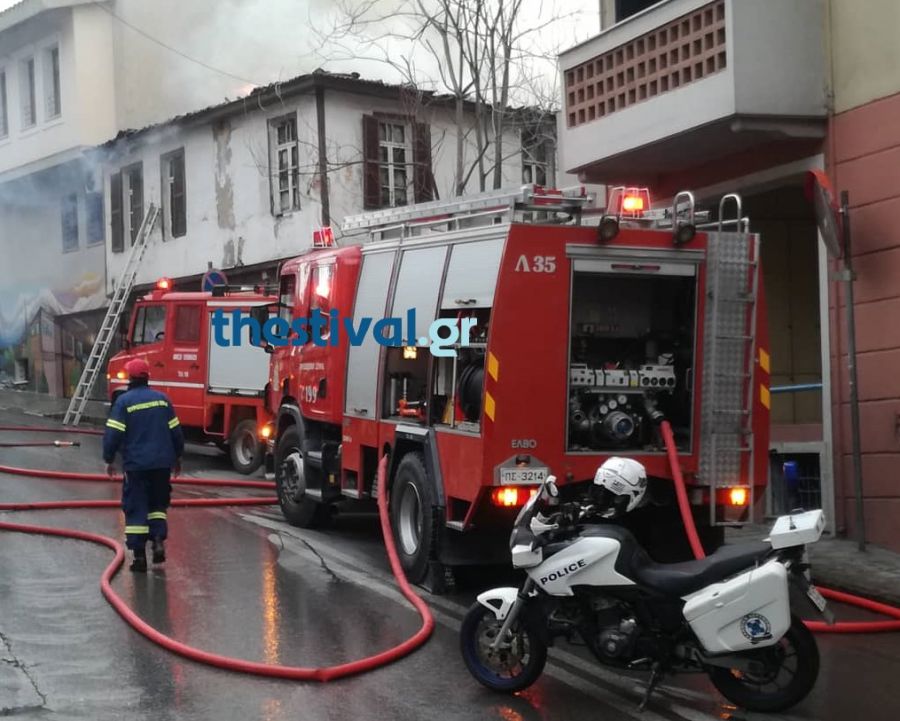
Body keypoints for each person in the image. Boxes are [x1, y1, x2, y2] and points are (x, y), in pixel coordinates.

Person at [103, 358, 183, 572]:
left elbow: (113, 434)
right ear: (148, 377)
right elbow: (176, 433)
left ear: (129, 378)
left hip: (136, 466)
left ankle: (139, 557)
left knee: (136, 506)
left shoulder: (123, 402)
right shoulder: (163, 400)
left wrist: (109, 459)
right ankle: (157, 541)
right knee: (158, 505)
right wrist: (177, 457)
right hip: (161, 465)